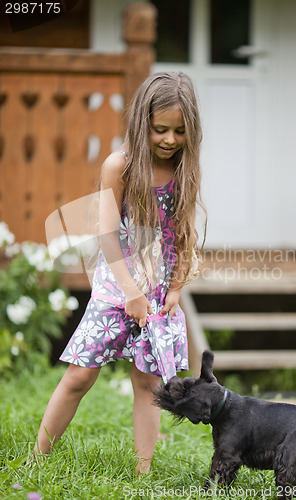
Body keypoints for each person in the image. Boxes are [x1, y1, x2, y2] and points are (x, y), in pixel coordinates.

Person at [34, 72, 205, 474]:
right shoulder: (120, 165)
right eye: (160, 129)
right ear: (141, 123)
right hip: (116, 286)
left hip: (159, 290)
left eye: (180, 131)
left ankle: (142, 473)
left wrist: (176, 289)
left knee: (148, 383)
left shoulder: (185, 170)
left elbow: (184, 233)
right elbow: (107, 235)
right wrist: (130, 291)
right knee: (80, 374)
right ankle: (37, 458)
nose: (169, 139)